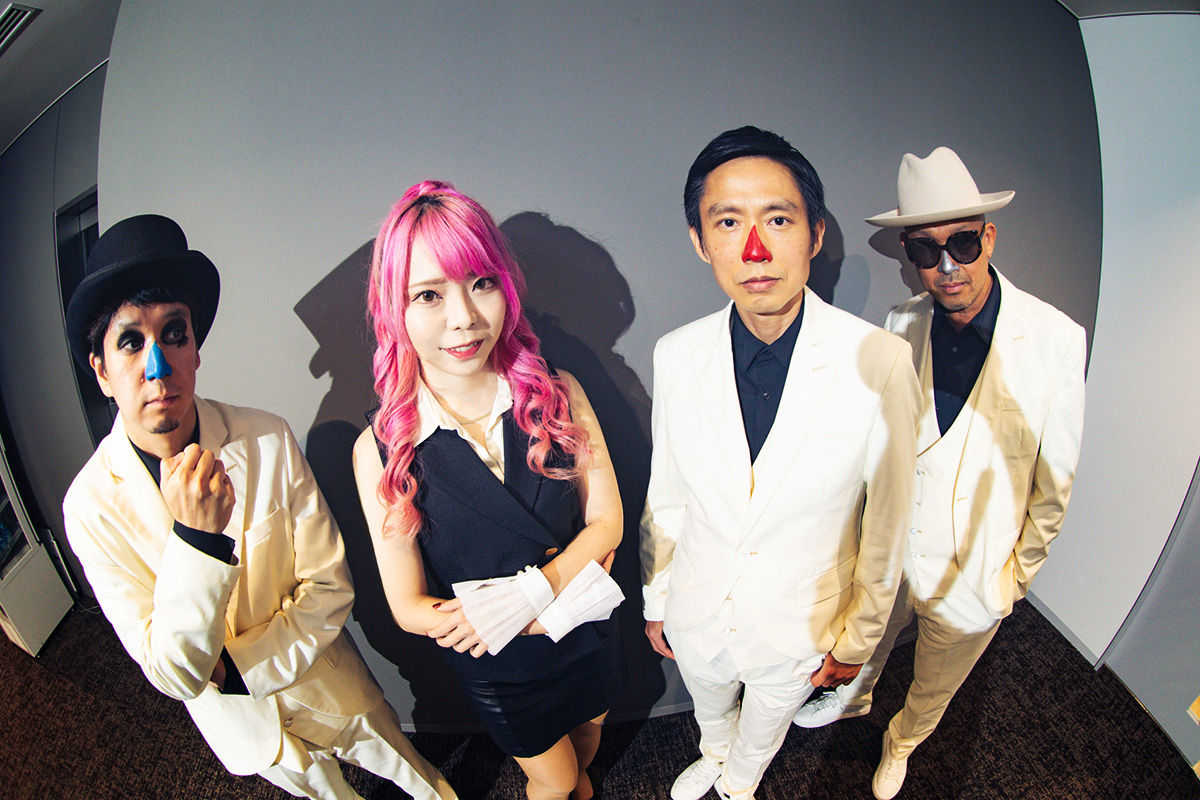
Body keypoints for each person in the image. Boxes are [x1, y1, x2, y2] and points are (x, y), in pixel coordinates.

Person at [62, 214, 456, 800]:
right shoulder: (89, 508)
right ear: (101, 370)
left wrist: (239, 669)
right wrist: (197, 542)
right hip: (247, 732)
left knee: (422, 783)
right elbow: (173, 673)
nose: (157, 368)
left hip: (329, 682)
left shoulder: (266, 437)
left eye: (174, 334)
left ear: (196, 350)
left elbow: (330, 586)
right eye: (130, 342)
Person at [792, 147, 1087, 799]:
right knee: (871, 637)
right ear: (908, 252)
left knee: (935, 683)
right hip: (896, 548)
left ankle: (902, 743)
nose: (948, 265)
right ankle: (856, 696)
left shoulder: (1055, 340)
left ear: (989, 237)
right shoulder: (902, 322)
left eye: (962, 242)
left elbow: (1054, 482)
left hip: (974, 574)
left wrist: (1015, 580)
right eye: (927, 249)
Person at [640, 126, 921, 800]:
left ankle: (740, 782)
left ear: (815, 234)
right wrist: (658, 598)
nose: (755, 250)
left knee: (765, 728)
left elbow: (888, 524)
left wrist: (858, 639)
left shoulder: (880, 360)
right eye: (727, 222)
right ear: (700, 241)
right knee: (710, 705)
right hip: (696, 606)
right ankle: (714, 753)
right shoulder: (676, 353)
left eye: (778, 219)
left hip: (801, 621)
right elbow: (667, 494)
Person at [352, 181, 626, 800]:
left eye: (481, 283)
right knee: (553, 780)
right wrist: (517, 619)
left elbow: (607, 521)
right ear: (394, 306)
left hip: (587, 629)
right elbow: (407, 605)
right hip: (503, 663)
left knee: (589, 743)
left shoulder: (558, 392)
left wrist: (529, 595)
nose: (464, 318)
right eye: (428, 294)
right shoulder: (382, 448)